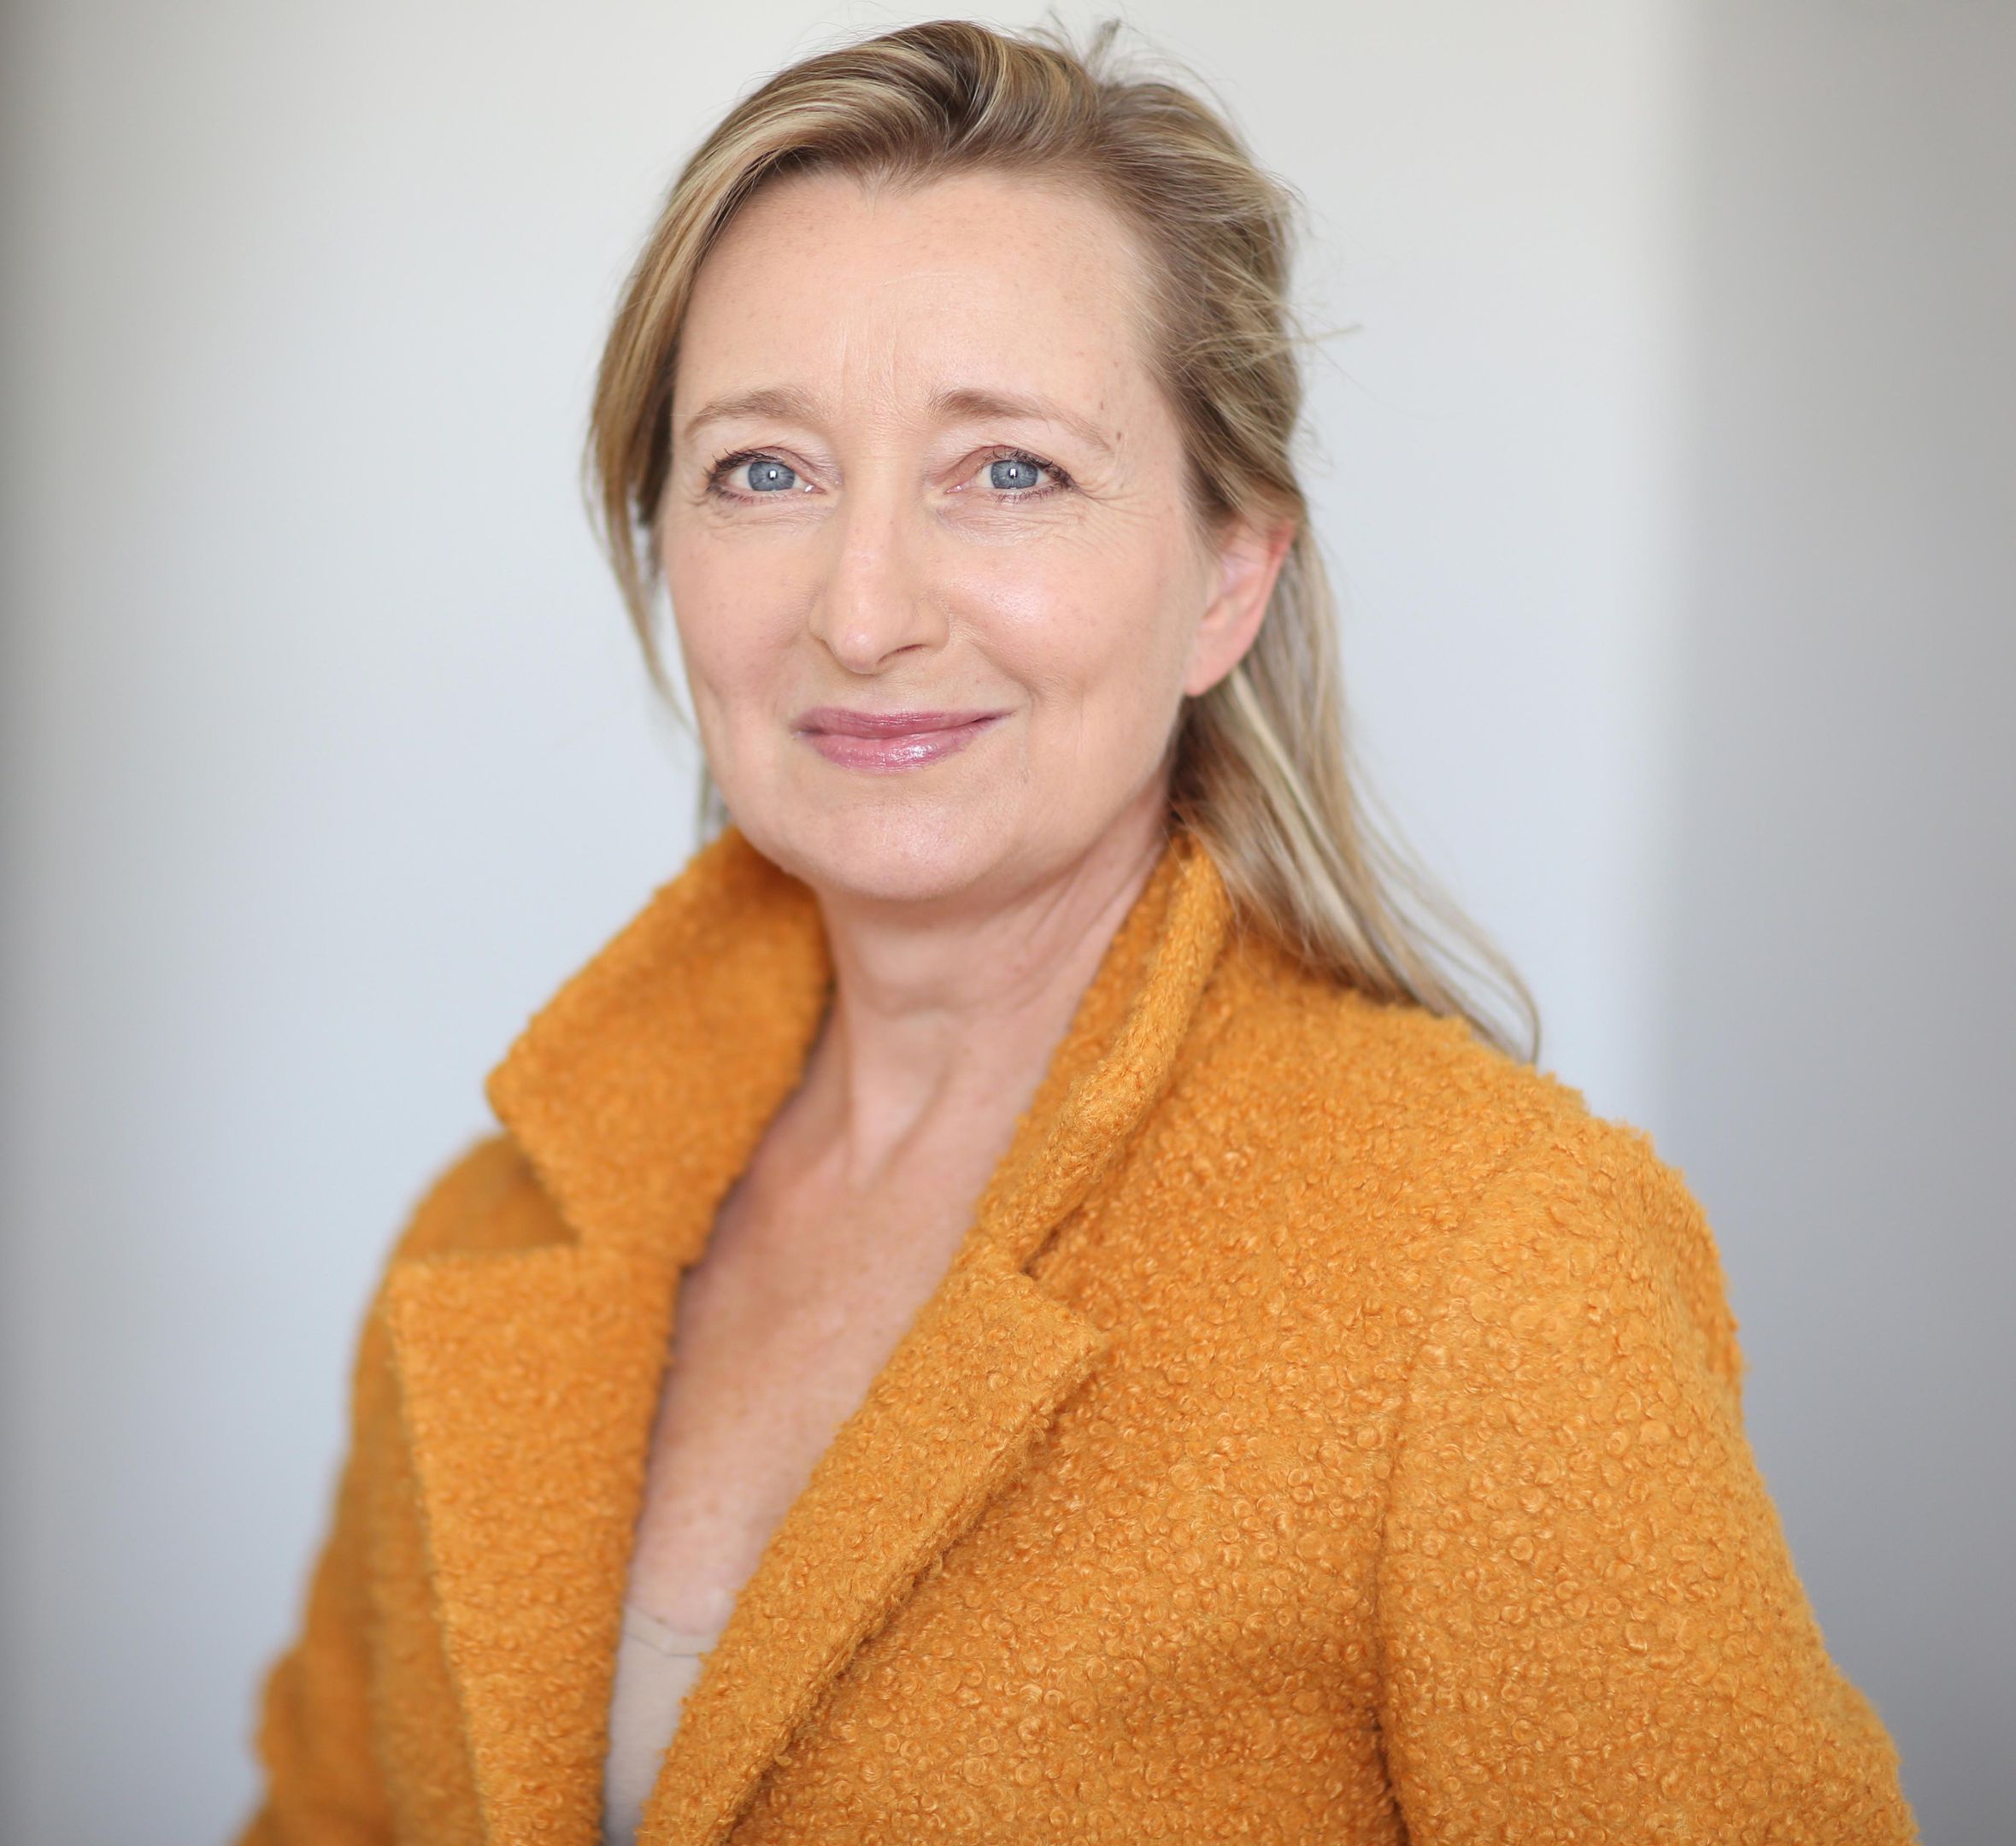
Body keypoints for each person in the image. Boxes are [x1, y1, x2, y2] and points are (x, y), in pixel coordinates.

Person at [234, 20, 1917, 1845]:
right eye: (764, 471)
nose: (861, 611)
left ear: (1228, 576)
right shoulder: (494, 1236)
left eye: (1011, 471)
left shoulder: (1490, 1262)